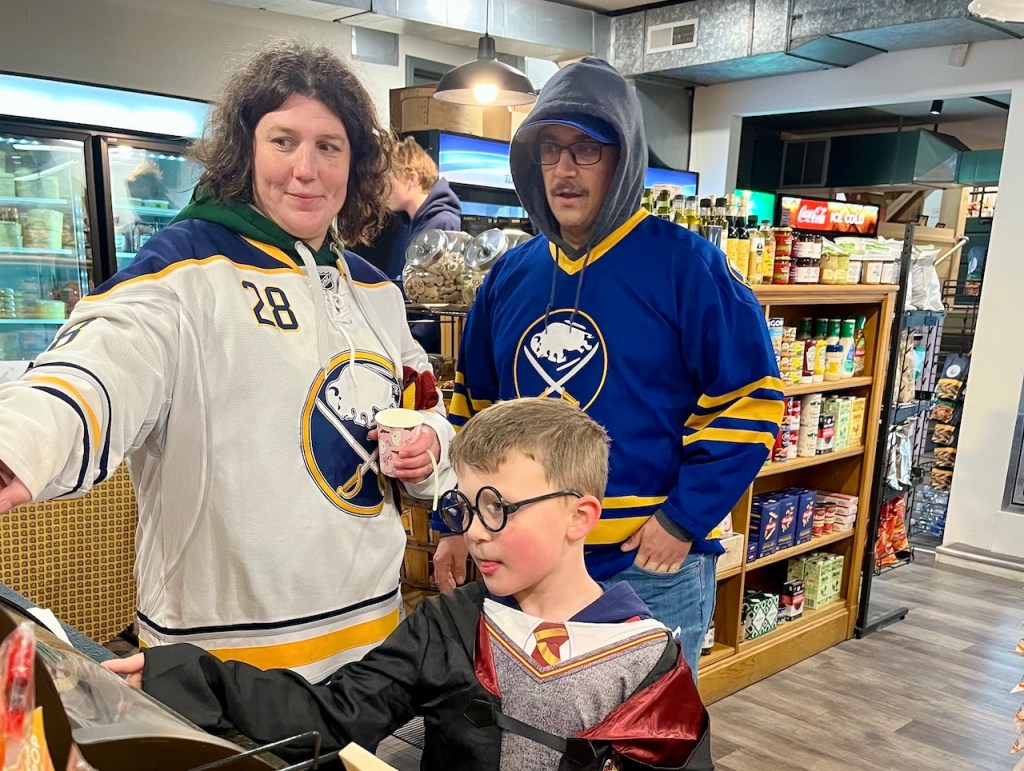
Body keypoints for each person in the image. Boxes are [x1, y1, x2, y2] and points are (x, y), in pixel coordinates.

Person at [0, 41, 455, 683]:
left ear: (355, 165)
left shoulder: (375, 291)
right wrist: (21, 441)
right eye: (283, 141)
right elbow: (104, 360)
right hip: (226, 668)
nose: (305, 169)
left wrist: (429, 449)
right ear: (247, 150)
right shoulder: (182, 273)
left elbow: (425, 403)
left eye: (329, 147)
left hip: (372, 653)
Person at [104, 398, 712, 771]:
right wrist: (189, 675)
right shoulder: (448, 626)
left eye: (499, 507)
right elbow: (333, 713)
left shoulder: (647, 660)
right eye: (465, 507)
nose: (476, 532)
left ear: (581, 516)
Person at [437, 57, 784, 673]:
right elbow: (474, 414)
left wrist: (682, 520)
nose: (565, 170)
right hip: (526, 564)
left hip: (645, 566)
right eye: (551, 149)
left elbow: (751, 400)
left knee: (642, 745)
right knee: (528, 739)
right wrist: (459, 522)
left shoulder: (690, 267)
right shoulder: (508, 278)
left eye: (587, 150)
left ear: (623, 159)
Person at [380, 136, 462, 281]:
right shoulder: (407, 226)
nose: (382, 189)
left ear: (412, 179)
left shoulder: (442, 223)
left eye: (389, 181)